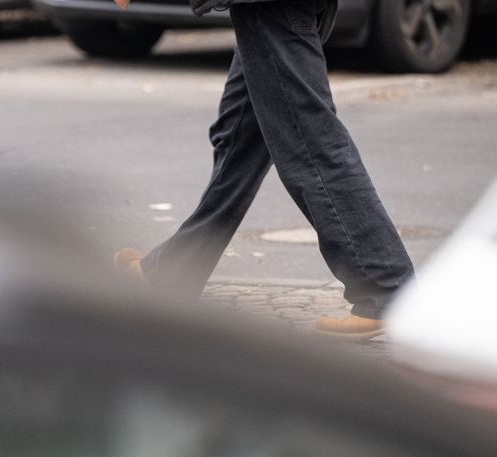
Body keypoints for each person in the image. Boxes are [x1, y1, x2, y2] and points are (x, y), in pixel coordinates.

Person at [112, 0, 415, 339]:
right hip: (270, 8)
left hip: (272, 9)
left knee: (311, 143)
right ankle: (170, 275)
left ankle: (385, 287)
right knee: (239, 139)